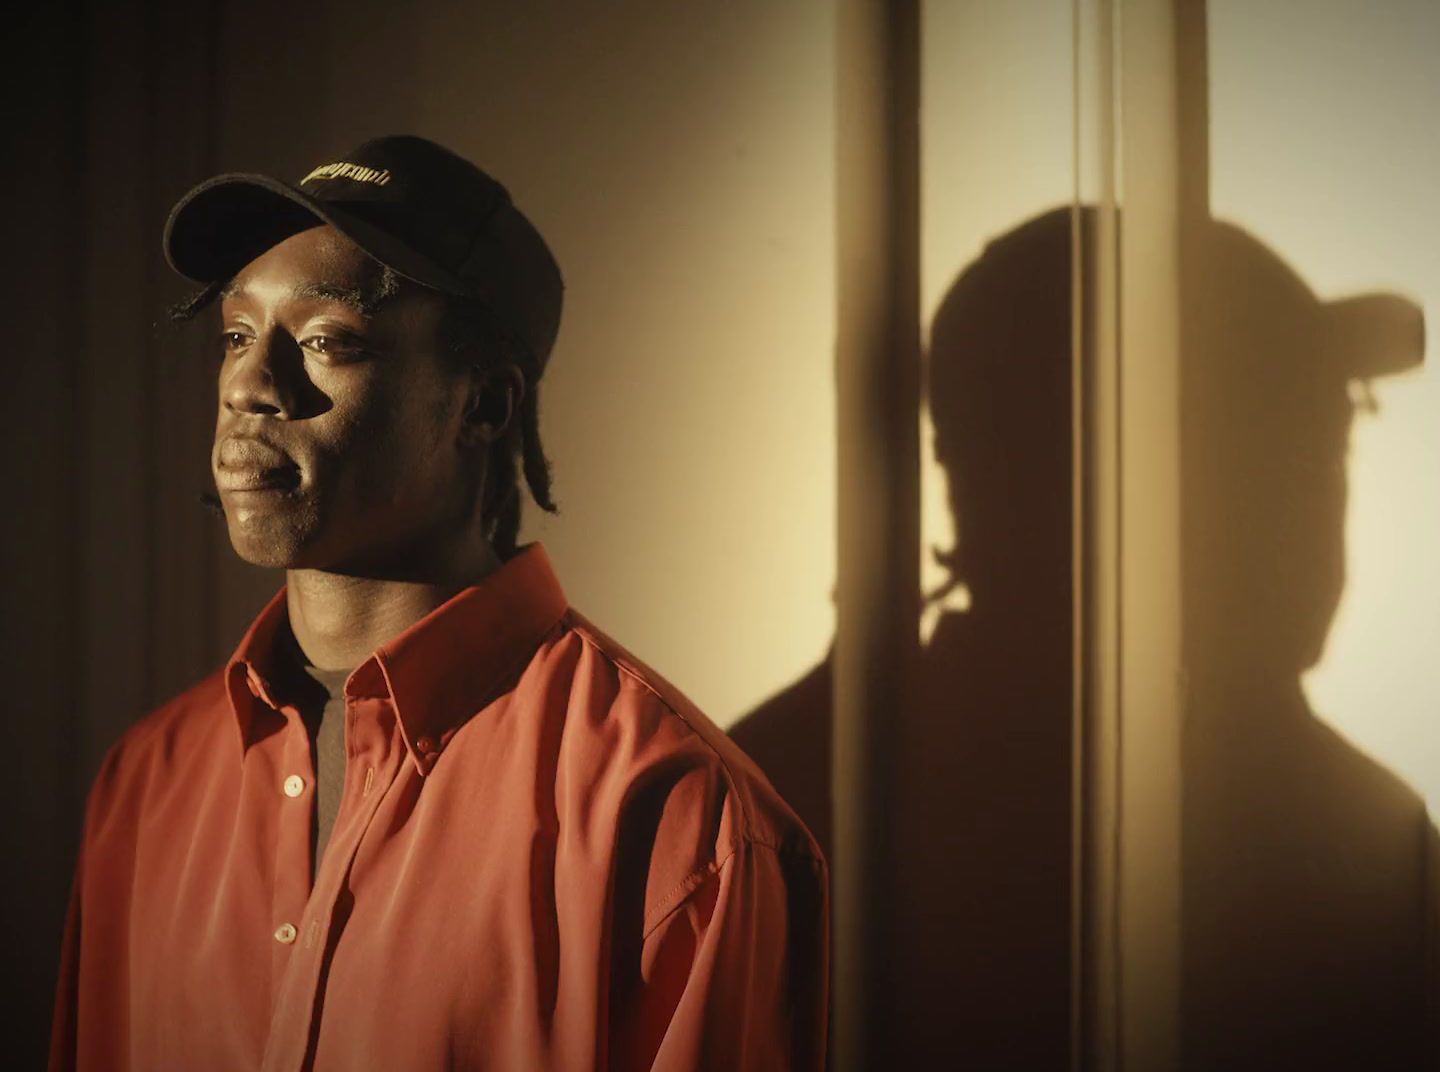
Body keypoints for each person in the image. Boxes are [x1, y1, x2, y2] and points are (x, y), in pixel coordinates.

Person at [48, 134, 828, 1072]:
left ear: (484, 406)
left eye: (328, 340)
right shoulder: (144, 785)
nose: (250, 387)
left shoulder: (680, 821)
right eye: (236, 336)